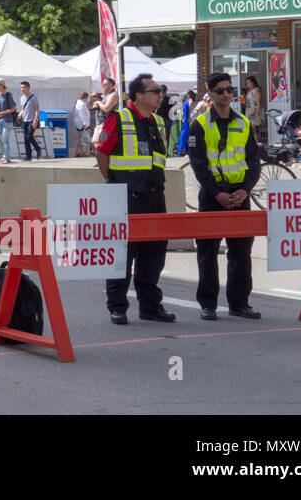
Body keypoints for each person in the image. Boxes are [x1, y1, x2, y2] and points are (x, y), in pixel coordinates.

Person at [96, 73, 173, 325]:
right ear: (139, 96)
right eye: (155, 91)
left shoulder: (159, 122)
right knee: (122, 255)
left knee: (153, 255)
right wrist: (114, 182)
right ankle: (117, 306)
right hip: (126, 198)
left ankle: (150, 306)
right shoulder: (119, 118)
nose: (160, 95)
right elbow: (102, 152)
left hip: (154, 197)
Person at [188, 71, 262, 321]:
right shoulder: (200, 125)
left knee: (241, 251)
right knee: (208, 252)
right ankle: (208, 304)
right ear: (209, 94)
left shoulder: (243, 123)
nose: (226, 94)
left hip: (240, 194)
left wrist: (245, 190)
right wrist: (217, 193)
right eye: (220, 90)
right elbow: (198, 165)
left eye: (229, 90)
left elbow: (254, 162)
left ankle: (239, 303)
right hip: (212, 197)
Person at [0, 79, 18, 165]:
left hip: (7, 120)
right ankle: (5, 154)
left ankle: (6, 157)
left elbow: (13, 109)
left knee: (5, 138)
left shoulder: (8, 95)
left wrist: (2, 113)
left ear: (1, 84)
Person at [91, 77, 119, 148]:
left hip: (106, 123)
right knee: (96, 142)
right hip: (101, 122)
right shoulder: (107, 95)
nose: (103, 85)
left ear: (111, 84)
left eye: (105, 84)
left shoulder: (113, 95)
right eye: (103, 84)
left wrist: (99, 103)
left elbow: (106, 108)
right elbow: (103, 107)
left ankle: (104, 158)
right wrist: (97, 105)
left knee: (98, 143)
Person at [18, 80, 42, 162]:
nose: (21, 89)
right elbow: (23, 109)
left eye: (23, 87)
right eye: (21, 87)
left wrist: (36, 120)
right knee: (25, 139)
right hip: (24, 120)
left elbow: (37, 109)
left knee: (29, 136)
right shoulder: (21, 98)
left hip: (32, 120)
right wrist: (19, 115)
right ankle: (28, 156)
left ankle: (38, 149)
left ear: (28, 88)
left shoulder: (34, 97)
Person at [243, 76, 263, 142]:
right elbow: (248, 102)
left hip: (255, 112)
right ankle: (257, 142)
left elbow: (258, 102)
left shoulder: (256, 90)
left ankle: (257, 143)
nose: (248, 84)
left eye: (249, 82)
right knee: (252, 130)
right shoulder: (249, 91)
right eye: (246, 83)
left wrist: (257, 113)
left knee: (252, 129)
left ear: (253, 82)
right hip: (249, 112)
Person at [73, 92, 92, 157]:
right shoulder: (82, 104)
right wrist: (84, 123)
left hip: (78, 123)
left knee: (79, 138)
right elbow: (83, 114)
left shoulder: (78, 103)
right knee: (83, 138)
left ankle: (77, 151)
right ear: (85, 97)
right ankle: (82, 152)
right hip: (82, 123)